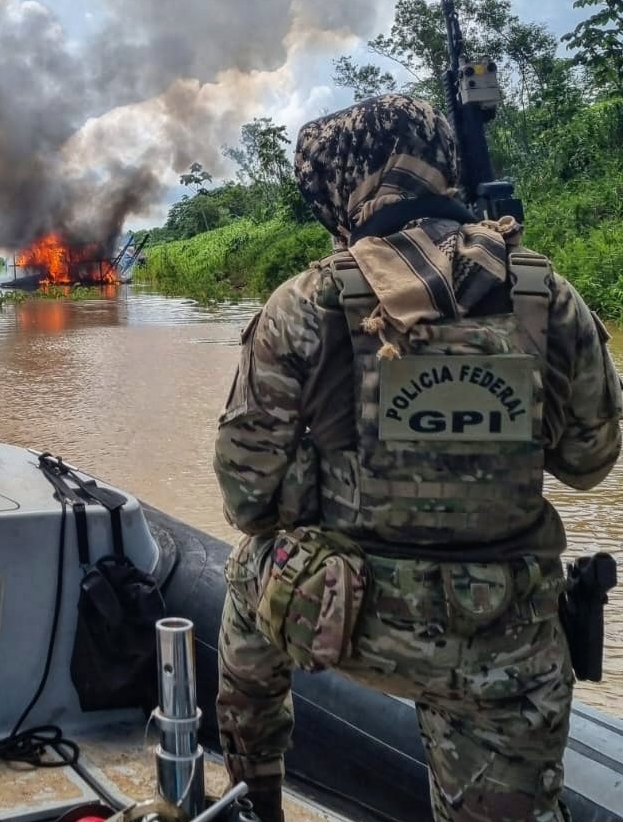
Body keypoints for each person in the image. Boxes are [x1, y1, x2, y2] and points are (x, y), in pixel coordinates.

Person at [212, 94, 623, 822]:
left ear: (348, 182)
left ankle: (254, 794)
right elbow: (590, 463)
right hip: (508, 641)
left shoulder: (306, 302)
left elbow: (248, 499)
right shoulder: (543, 293)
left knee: (249, 569)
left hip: (353, 624)